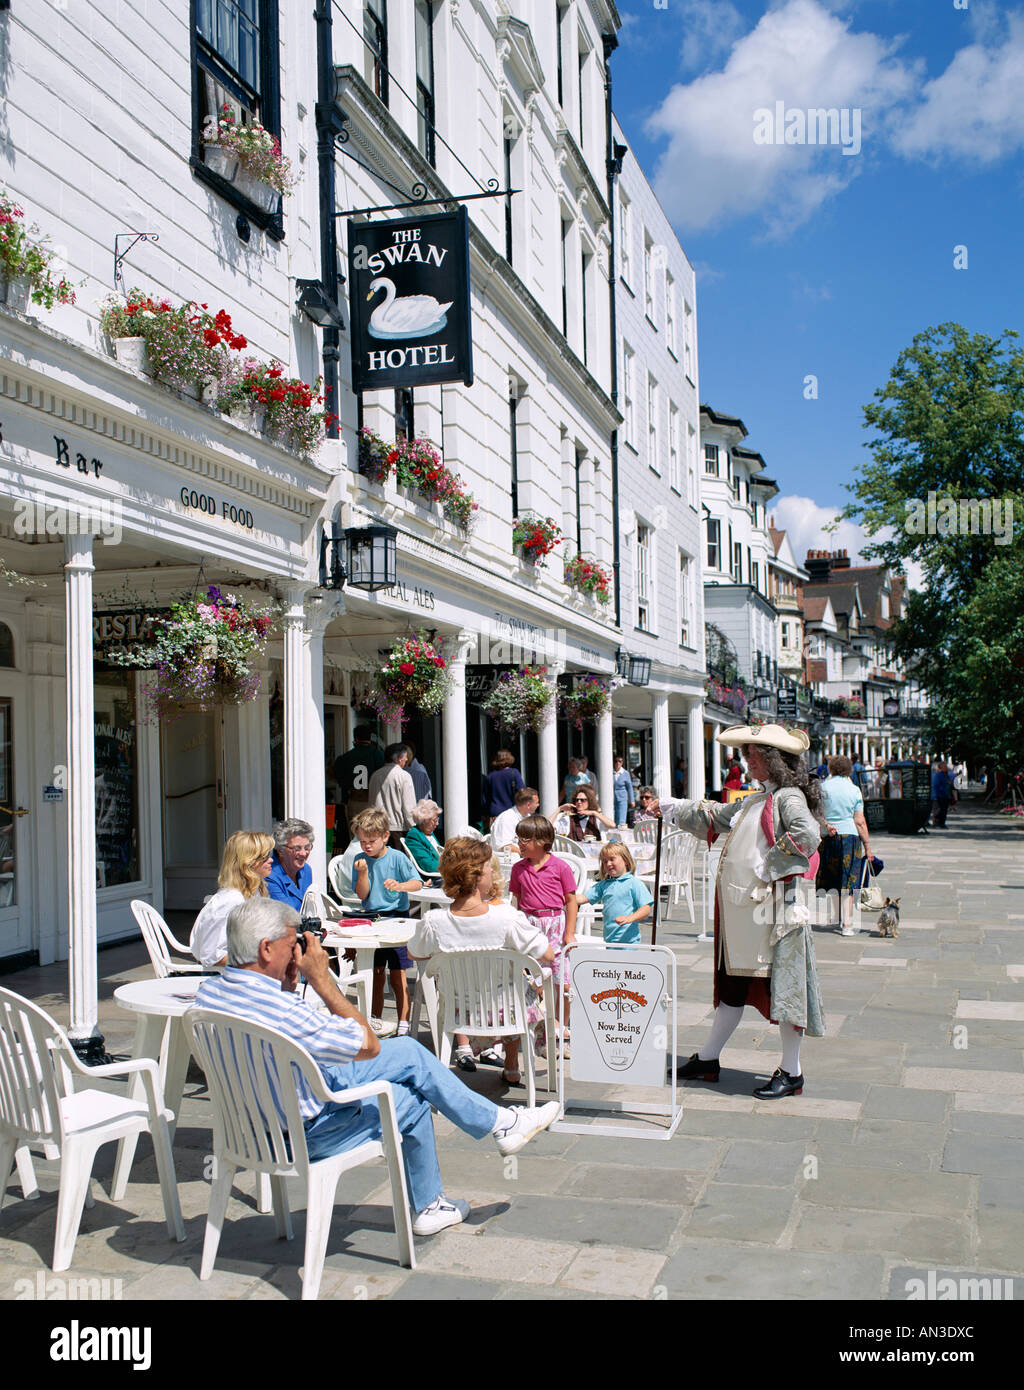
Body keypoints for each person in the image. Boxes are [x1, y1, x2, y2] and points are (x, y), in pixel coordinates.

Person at [192, 897, 560, 1237]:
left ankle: (493, 1132)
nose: (298, 956)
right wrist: (322, 982)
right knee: (410, 1091)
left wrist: (288, 987)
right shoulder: (283, 1013)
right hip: (303, 1137)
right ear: (266, 948)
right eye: (292, 947)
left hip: (250, 1130)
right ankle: (464, 1164)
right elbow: (366, 1045)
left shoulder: (208, 996)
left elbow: (278, 1047)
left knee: (409, 1059)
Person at [663, 723, 826, 1100]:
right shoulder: (757, 798)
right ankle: (708, 1059)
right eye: (748, 754)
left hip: (775, 916)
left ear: (773, 760)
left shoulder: (787, 797)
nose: (747, 760)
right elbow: (718, 816)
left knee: (784, 993)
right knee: (732, 990)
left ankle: (792, 1071)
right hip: (744, 920)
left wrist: (770, 867)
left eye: (754, 755)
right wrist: (674, 809)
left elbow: (807, 834)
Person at [409, 837, 556, 1086]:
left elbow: (415, 953)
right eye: (488, 867)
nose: (491, 871)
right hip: (507, 1012)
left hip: (460, 1012)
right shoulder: (507, 917)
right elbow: (547, 954)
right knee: (520, 984)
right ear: (477, 876)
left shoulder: (434, 922)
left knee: (510, 985)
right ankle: (512, 1063)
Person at [350, 807, 422, 1037]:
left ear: (384, 836)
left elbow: (417, 883)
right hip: (372, 918)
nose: (366, 846)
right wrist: (362, 874)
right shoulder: (360, 860)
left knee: (398, 973)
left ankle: (403, 1022)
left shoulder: (397, 858)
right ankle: (376, 1019)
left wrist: (400, 886)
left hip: (396, 918)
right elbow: (362, 894)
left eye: (371, 841)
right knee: (377, 973)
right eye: (362, 842)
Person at [509, 815, 578, 1044]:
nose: (520, 843)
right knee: (531, 977)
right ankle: (542, 1020)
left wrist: (569, 931)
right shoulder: (518, 869)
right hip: (530, 924)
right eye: (519, 838)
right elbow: (516, 901)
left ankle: (562, 1023)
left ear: (541, 841)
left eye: (524, 839)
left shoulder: (560, 867)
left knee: (564, 981)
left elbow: (571, 900)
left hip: (555, 923)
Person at [189, 830, 274, 967]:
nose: (271, 860)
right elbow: (211, 956)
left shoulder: (253, 892)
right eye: (264, 857)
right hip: (228, 977)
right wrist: (260, 963)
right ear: (248, 862)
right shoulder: (231, 901)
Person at [816, 755, 874, 935]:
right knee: (848, 879)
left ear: (831, 768)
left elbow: (815, 813)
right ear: (849, 770)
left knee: (832, 876)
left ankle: (836, 917)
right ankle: (847, 924)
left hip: (828, 836)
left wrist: (826, 825)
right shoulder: (854, 790)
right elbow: (860, 821)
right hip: (850, 837)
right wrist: (867, 846)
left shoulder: (822, 788)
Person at [578, 841, 653, 945]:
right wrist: (563, 896)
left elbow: (646, 908)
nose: (608, 864)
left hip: (629, 941)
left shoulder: (634, 883)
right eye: (605, 861)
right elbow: (582, 898)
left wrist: (630, 918)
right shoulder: (604, 885)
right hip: (609, 940)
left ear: (625, 861)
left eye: (612, 859)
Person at [334, 725, 385, 837]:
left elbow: (335, 775)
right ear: (370, 738)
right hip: (372, 800)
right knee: (373, 833)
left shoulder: (346, 757)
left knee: (356, 834)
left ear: (356, 738)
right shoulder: (377, 754)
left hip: (354, 799)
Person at [368, 743, 417, 850]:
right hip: (397, 829)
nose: (407, 759)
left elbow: (371, 803)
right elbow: (409, 808)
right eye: (405, 757)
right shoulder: (404, 776)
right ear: (399, 758)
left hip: (377, 827)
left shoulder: (375, 775)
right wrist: (414, 828)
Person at [266, 818, 314, 911]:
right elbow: (288, 914)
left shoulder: (306, 870)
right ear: (281, 850)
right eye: (297, 848)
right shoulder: (270, 875)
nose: (303, 853)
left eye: (307, 847)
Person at [551, 784, 616, 842]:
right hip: (574, 855)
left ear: (589, 801)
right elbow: (546, 827)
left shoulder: (596, 819)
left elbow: (612, 825)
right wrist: (559, 809)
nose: (579, 802)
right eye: (577, 800)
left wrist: (594, 813)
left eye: (582, 800)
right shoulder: (568, 820)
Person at [481, 749, 525, 825]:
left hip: (495, 814)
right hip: (511, 812)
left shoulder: (490, 776)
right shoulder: (514, 773)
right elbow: (522, 792)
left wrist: (485, 815)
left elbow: (485, 799)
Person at [491, 786, 540, 850]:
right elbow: (504, 846)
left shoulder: (527, 816)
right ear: (528, 805)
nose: (538, 805)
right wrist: (527, 854)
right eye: (536, 802)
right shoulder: (507, 818)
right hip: (509, 858)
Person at [405, 800, 443, 876]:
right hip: (434, 878)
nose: (437, 823)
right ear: (424, 821)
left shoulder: (429, 833)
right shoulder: (414, 836)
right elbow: (428, 866)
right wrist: (452, 867)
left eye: (437, 820)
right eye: (435, 820)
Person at [612, 755, 635, 827]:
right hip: (612, 798)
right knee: (614, 817)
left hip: (622, 798)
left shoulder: (625, 773)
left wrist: (632, 800)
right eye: (616, 761)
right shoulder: (610, 772)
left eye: (620, 761)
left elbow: (629, 787)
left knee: (622, 818)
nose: (617, 763)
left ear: (622, 763)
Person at [930, 760, 954, 826]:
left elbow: (949, 783)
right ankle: (937, 822)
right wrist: (943, 789)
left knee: (944, 810)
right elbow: (936, 784)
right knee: (939, 810)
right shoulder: (939, 775)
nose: (946, 768)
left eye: (946, 766)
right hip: (940, 795)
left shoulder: (946, 775)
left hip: (946, 795)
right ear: (941, 768)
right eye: (944, 766)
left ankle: (942, 822)